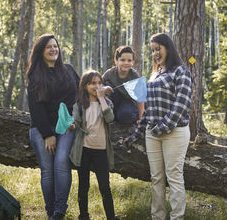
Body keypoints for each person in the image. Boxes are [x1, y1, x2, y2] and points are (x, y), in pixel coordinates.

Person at [125, 33, 193, 220]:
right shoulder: (155, 74)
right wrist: (135, 135)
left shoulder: (181, 71)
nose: (155, 53)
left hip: (175, 133)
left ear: (168, 48)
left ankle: (177, 217)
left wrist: (163, 126)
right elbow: (149, 109)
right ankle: (157, 216)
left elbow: (182, 105)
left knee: (174, 176)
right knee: (156, 178)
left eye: (158, 49)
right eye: (153, 50)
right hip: (152, 133)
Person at [26, 34, 80, 220]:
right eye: (49, 47)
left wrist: (103, 89)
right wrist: (48, 134)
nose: (53, 49)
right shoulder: (35, 76)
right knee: (47, 170)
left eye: (55, 46)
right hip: (42, 128)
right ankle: (50, 212)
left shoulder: (69, 70)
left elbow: (83, 92)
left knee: (61, 161)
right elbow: (36, 108)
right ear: (41, 51)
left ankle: (59, 212)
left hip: (67, 125)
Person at [69, 70, 118, 220]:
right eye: (92, 83)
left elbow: (110, 119)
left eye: (99, 83)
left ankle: (111, 216)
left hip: (101, 150)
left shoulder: (107, 103)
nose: (97, 86)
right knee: (84, 185)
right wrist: (71, 125)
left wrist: (102, 99)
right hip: (84, 150)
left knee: (104, 186)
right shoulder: (79, 105)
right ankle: (83, 215)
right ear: (85, 86)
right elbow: (75, 122)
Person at [102, 45, 144, 124]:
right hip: (114, 99)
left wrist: (140, 117)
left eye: (129, 60)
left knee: (125, 115)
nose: (126, 63)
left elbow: (140, 98)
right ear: (116, 61)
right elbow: (99, 85)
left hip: (128, 101)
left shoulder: (134, 76)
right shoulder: (110, 73)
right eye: (122, 60)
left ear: (133, 62)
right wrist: (104, 88)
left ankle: (125, 115)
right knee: (108, 86)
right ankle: (111, 115)